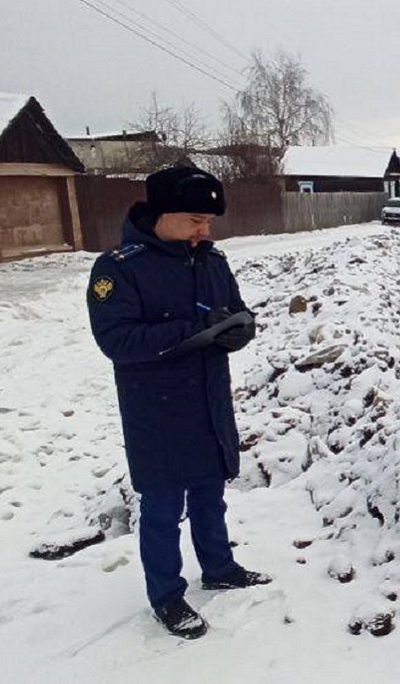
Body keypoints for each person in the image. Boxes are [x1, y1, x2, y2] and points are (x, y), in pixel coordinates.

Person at [87, 165, 270, 639]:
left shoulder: (212, 261)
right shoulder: (117, 268)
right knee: (164, 508)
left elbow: (235, 310)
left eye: (209, 222)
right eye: (195, 220)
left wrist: (239, 331)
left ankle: (219, 567)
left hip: (209, 398)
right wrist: (196, 333)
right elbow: (117, 340)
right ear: (162, 214)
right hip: (157, 408)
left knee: (211, 494)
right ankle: (166, 596)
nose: (204, 231)